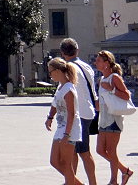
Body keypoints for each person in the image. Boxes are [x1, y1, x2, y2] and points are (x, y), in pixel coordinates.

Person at [59, 38, 98, 185]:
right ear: (77, 50)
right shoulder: (86, 66)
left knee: (83, 152)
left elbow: (65, 91)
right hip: (88, 111)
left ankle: (90, 183)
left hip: (77, 114)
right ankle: (71, 180)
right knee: (74, 151)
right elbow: (93, 90)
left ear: (62, 53)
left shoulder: (67, 68)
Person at [95, 50, 133, 185]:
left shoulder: (114, 77)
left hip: (114, 119)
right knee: (100, 150)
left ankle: (114, 180)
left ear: (107, 63)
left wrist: (111, 89)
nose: (96, 63)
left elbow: (127, 95)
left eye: (99, 60)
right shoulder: (101, 79)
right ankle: (125, 171)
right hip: (103, 119)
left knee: (111, 151)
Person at [45, 57, 84, 185]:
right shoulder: (61, 87)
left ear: (57, 71)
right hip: (61, 127)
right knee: (54, 161)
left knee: (66, 164)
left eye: (50, 72)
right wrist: (50, 117)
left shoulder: (69, 89)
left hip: (70, 129)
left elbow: (72, 113)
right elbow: (55, 104)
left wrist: (67, 134)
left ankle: (72, 183)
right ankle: (77, 183)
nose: (50, 75)